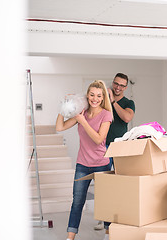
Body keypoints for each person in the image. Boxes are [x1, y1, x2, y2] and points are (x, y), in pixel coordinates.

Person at [56, 80, 113, 240]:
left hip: (102, 164)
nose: (95, 99)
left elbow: (98, 139)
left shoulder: (106, 115)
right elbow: (59, 127)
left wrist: (83, 122)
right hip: (83, 164)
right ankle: (70, 237)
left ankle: (108, 234)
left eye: (99, 96)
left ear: (103, 98)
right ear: (87, 96)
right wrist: (64, 106)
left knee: (105, 201)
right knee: (77, 202)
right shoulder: (81, 113)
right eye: (92, 95)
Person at [93, 73, 135, 234]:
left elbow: (126, 118)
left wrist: (113, 101)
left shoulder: (128, 102)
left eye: (122, 85)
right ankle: (105, 221)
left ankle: (118, 220)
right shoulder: (102, 97)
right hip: (101, 146)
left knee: (118, 184)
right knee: (103, 184)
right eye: (116, 84)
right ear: (113, 83)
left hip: (119, 147)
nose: (118, 87)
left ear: (126, 87)